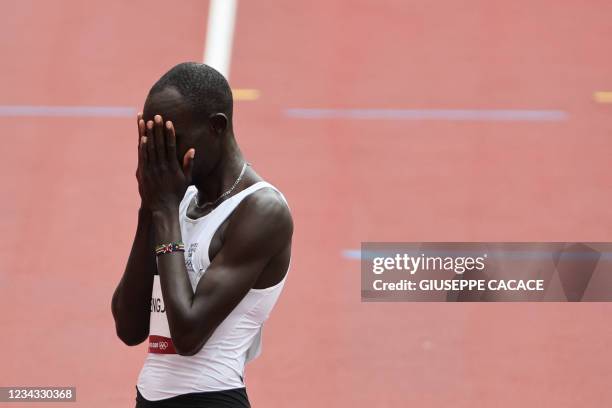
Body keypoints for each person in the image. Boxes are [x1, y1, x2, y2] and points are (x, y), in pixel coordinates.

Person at [111, 62, 293, 407]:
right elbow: (129, 327)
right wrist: (148, 208)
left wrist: (164, 211)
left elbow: (188, 333)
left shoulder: (261, 210)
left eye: (172, 140)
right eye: (155, 142)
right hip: (148, 398)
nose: (162, 156)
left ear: (216, 127)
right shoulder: (178, 200)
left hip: (211, 398)